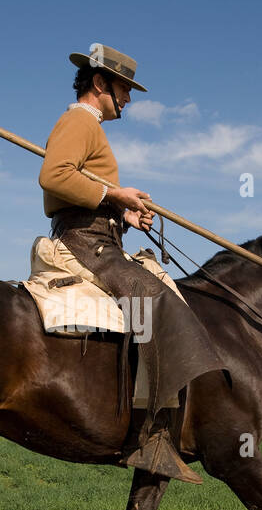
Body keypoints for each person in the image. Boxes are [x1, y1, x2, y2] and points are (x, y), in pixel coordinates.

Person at [39, 44, 226, 484]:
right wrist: (115, 196)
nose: (128, 99)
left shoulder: (90, 125)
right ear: (101, 83)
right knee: (157, 302)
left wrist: (123, 214)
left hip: (100, 233)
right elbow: (54, 176)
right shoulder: (80, 120)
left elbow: (75, 184)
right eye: (124, 89)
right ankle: (153, 436)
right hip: (88, 244)